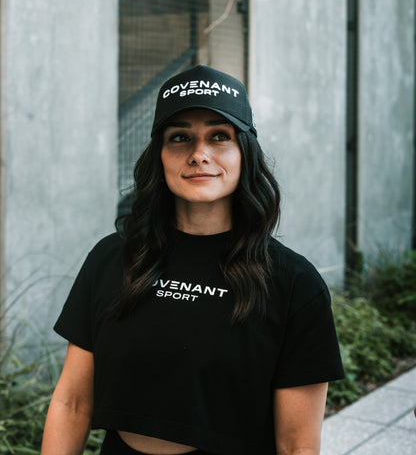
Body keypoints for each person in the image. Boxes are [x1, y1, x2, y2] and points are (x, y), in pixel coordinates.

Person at [41, 65, 344, 455]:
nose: (199, 154)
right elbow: (73, 403)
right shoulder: (112, 258)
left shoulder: (293, 282)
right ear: (160, 156)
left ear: (244, 152)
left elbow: (296, 445)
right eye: (180, 137)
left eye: (219, 136)